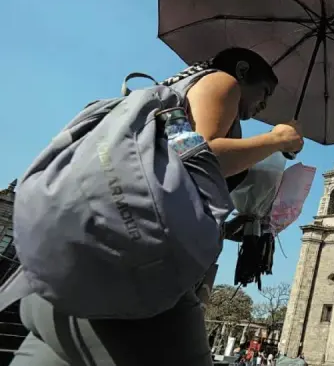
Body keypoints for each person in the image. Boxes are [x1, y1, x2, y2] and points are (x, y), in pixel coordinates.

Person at [11, 47, 304, 366]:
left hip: (65, 273)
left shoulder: (172, 103)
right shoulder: (223, 82)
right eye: (265, 92)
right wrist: (277, 139)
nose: (266, 103)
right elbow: (203, 154)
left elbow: (181, 160)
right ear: (243, 70)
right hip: (132, 271)